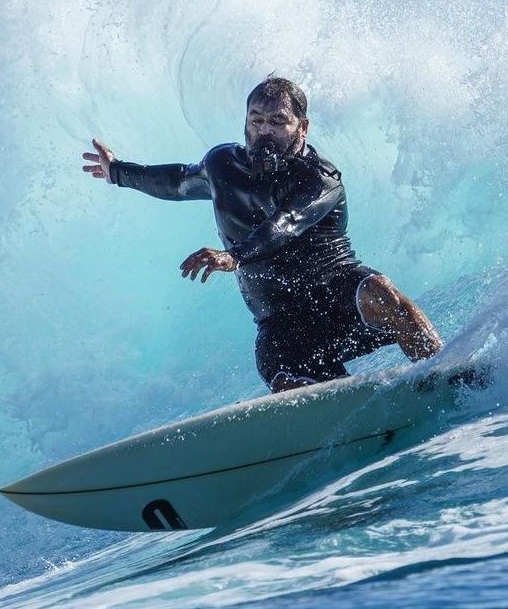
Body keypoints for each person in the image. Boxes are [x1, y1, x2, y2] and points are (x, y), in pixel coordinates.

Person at [82, 77, 442, 392]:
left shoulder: (320, 178)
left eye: (277, 122)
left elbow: (285, 224)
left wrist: (233, 256)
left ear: (303, 128)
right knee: (285, 379)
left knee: (382, 293)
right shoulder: (222, 165)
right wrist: (117, 172)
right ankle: (347, 410)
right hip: (282, 321)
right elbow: (178, 181)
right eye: (256, 121)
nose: (264, 131)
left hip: (340, 298)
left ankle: (446, 372)